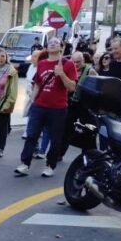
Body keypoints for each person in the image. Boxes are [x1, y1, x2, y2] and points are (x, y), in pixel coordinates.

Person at [15, 37, 77, 178]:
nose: (53, 44)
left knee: (55, 138)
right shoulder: (42, 63)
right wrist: (33, 100)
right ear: (47, 47)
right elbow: (37, 83)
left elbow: (72, 87)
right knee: (31, 135)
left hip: (58, 108)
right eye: (50, 43)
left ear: (61, 47)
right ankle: (25, 164)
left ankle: (50, 165)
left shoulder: (68, 64)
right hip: (39, 106)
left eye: (56, 42)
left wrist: (61, 74)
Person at [58, 51, 98, 158]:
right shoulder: (70, 69)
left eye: (78, 62)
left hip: (85, 105)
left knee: (89, 129)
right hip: (71, 104)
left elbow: (98, 88)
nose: (76, 64)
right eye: (74, 62)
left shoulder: (90, 71)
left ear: (84, 61)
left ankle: (89, 155)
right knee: (65, 129)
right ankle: (59, 154)